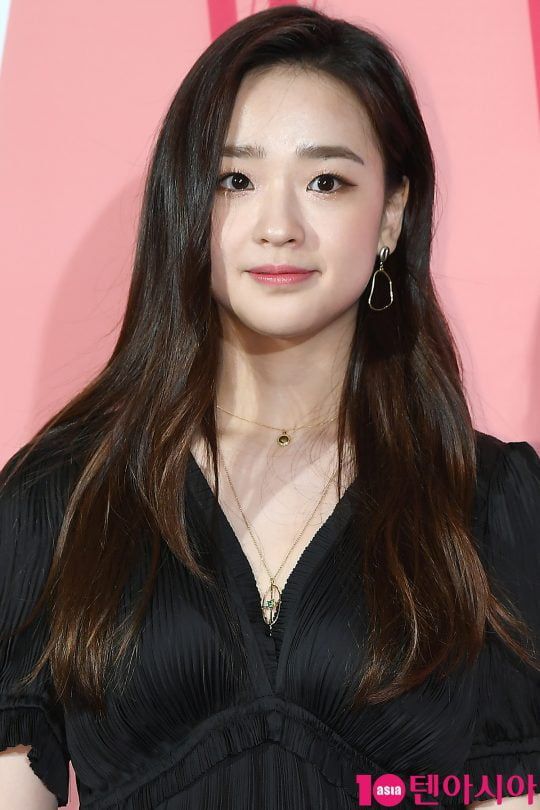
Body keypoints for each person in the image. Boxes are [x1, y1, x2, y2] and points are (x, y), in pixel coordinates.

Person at [0, 5, 539, 809]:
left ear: (391, 213)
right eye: (236, 180)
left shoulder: (489, 505)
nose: (278, 226)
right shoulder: (66, 494)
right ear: (187, 203)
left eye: (326, 182)